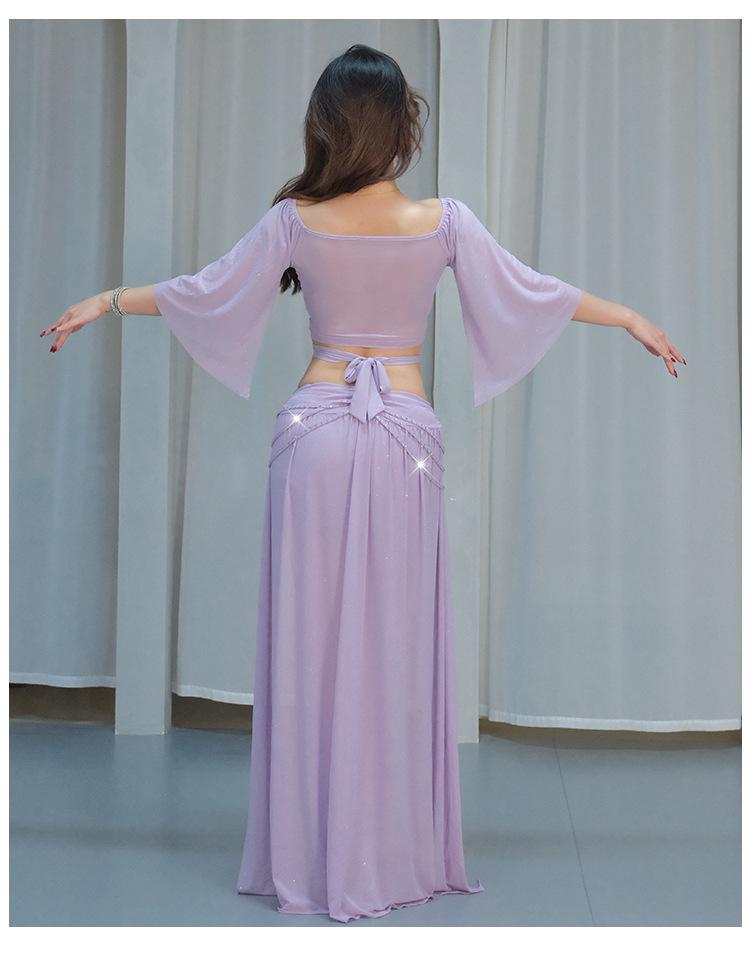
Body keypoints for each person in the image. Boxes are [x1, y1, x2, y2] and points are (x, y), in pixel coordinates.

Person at [40, 43, 685, 923]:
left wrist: (110, 299)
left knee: (312, 647)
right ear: (400, 126)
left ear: (325, 126)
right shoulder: (443, 221)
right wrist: (630, 317)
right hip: (407, 441)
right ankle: (386, 851)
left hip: (311, 438)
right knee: (395, 646)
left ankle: (314, 854)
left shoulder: (297, 222)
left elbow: (202, 289)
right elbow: (536, 290)